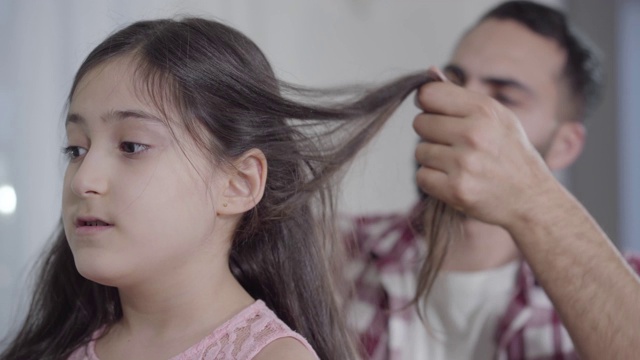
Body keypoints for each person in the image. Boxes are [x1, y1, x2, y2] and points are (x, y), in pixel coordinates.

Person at [0, 17, 437, 360]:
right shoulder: (58, 346)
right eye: (76, 150)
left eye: (131, 146)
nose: (82, 179)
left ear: (238, 184)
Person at [345, 1, 640, 359]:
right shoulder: (336, 253)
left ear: (565, 145)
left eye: (503, 97)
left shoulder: (622, 287)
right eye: (455, 82)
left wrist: (532, 197)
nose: (464, 107)